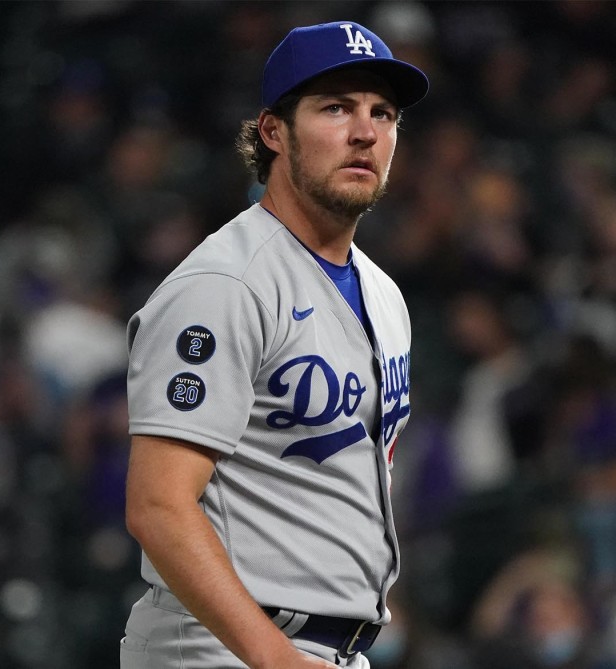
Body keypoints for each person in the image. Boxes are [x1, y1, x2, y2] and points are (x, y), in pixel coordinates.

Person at [121, 20, 428, 669]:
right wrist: (275, 658)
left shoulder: (384, 295)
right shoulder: (226, 284)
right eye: (336, 107)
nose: (366, 132)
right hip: (224, 646)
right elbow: (158, 505)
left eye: (383, 113)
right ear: (273, 132)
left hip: (332, 649)